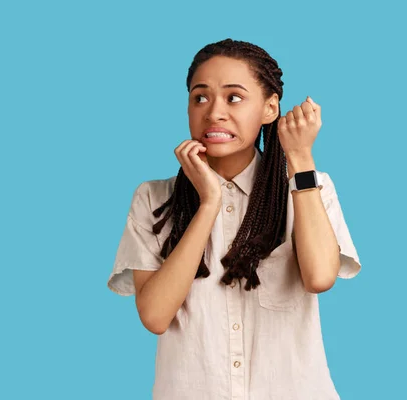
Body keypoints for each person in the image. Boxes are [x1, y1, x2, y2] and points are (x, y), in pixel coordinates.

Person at [107, 38, 362, 400]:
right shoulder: (153, 199)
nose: (214, 113)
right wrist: (209, 202)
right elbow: (154, 315)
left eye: (234, 97)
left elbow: (320, 277)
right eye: (200, 97)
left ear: (270, 108)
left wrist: (301, 158)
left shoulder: (308, 189)